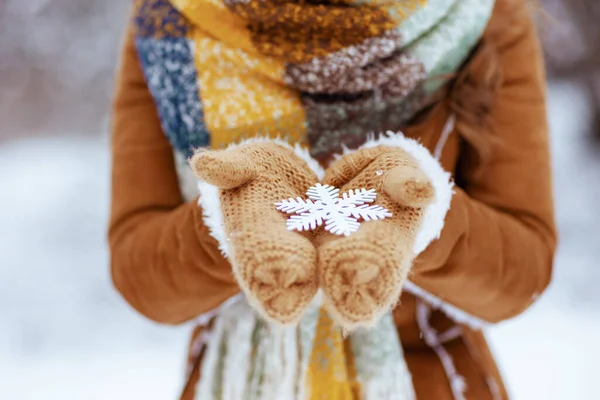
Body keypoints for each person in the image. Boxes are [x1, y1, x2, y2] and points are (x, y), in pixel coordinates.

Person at [109, 0, 556, 398]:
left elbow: (522, 275)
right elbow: (142, 278)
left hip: (427, 377)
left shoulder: (481, 14)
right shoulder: (170, 22)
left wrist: (421, 218)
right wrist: (231, 220)